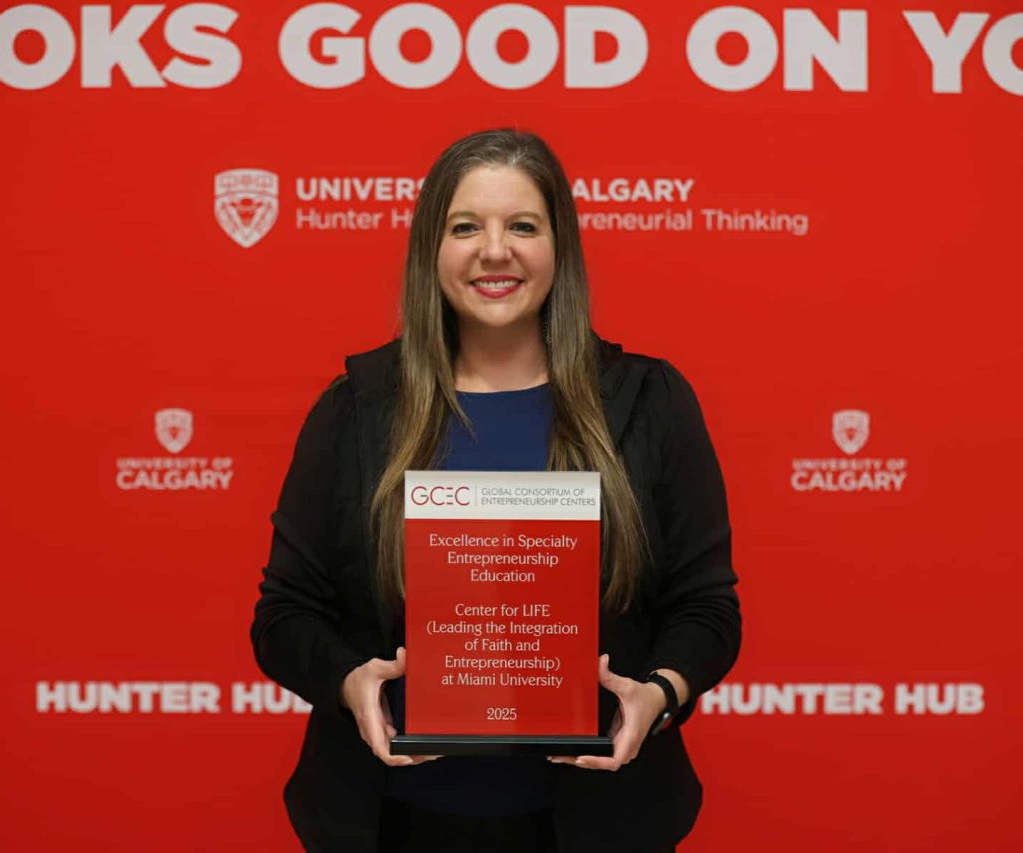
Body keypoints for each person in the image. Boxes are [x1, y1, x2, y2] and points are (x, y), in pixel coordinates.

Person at [251, 129, 741, 853]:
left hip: (599, 823)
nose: (494, 251)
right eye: (465, 226)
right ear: (431, 251)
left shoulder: (649, 402)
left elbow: (707, 605)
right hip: (392, 820)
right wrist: (349, 680)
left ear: (559, 248)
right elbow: (284, 613)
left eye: (522, 225)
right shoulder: (355, 409)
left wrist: (660, 693)